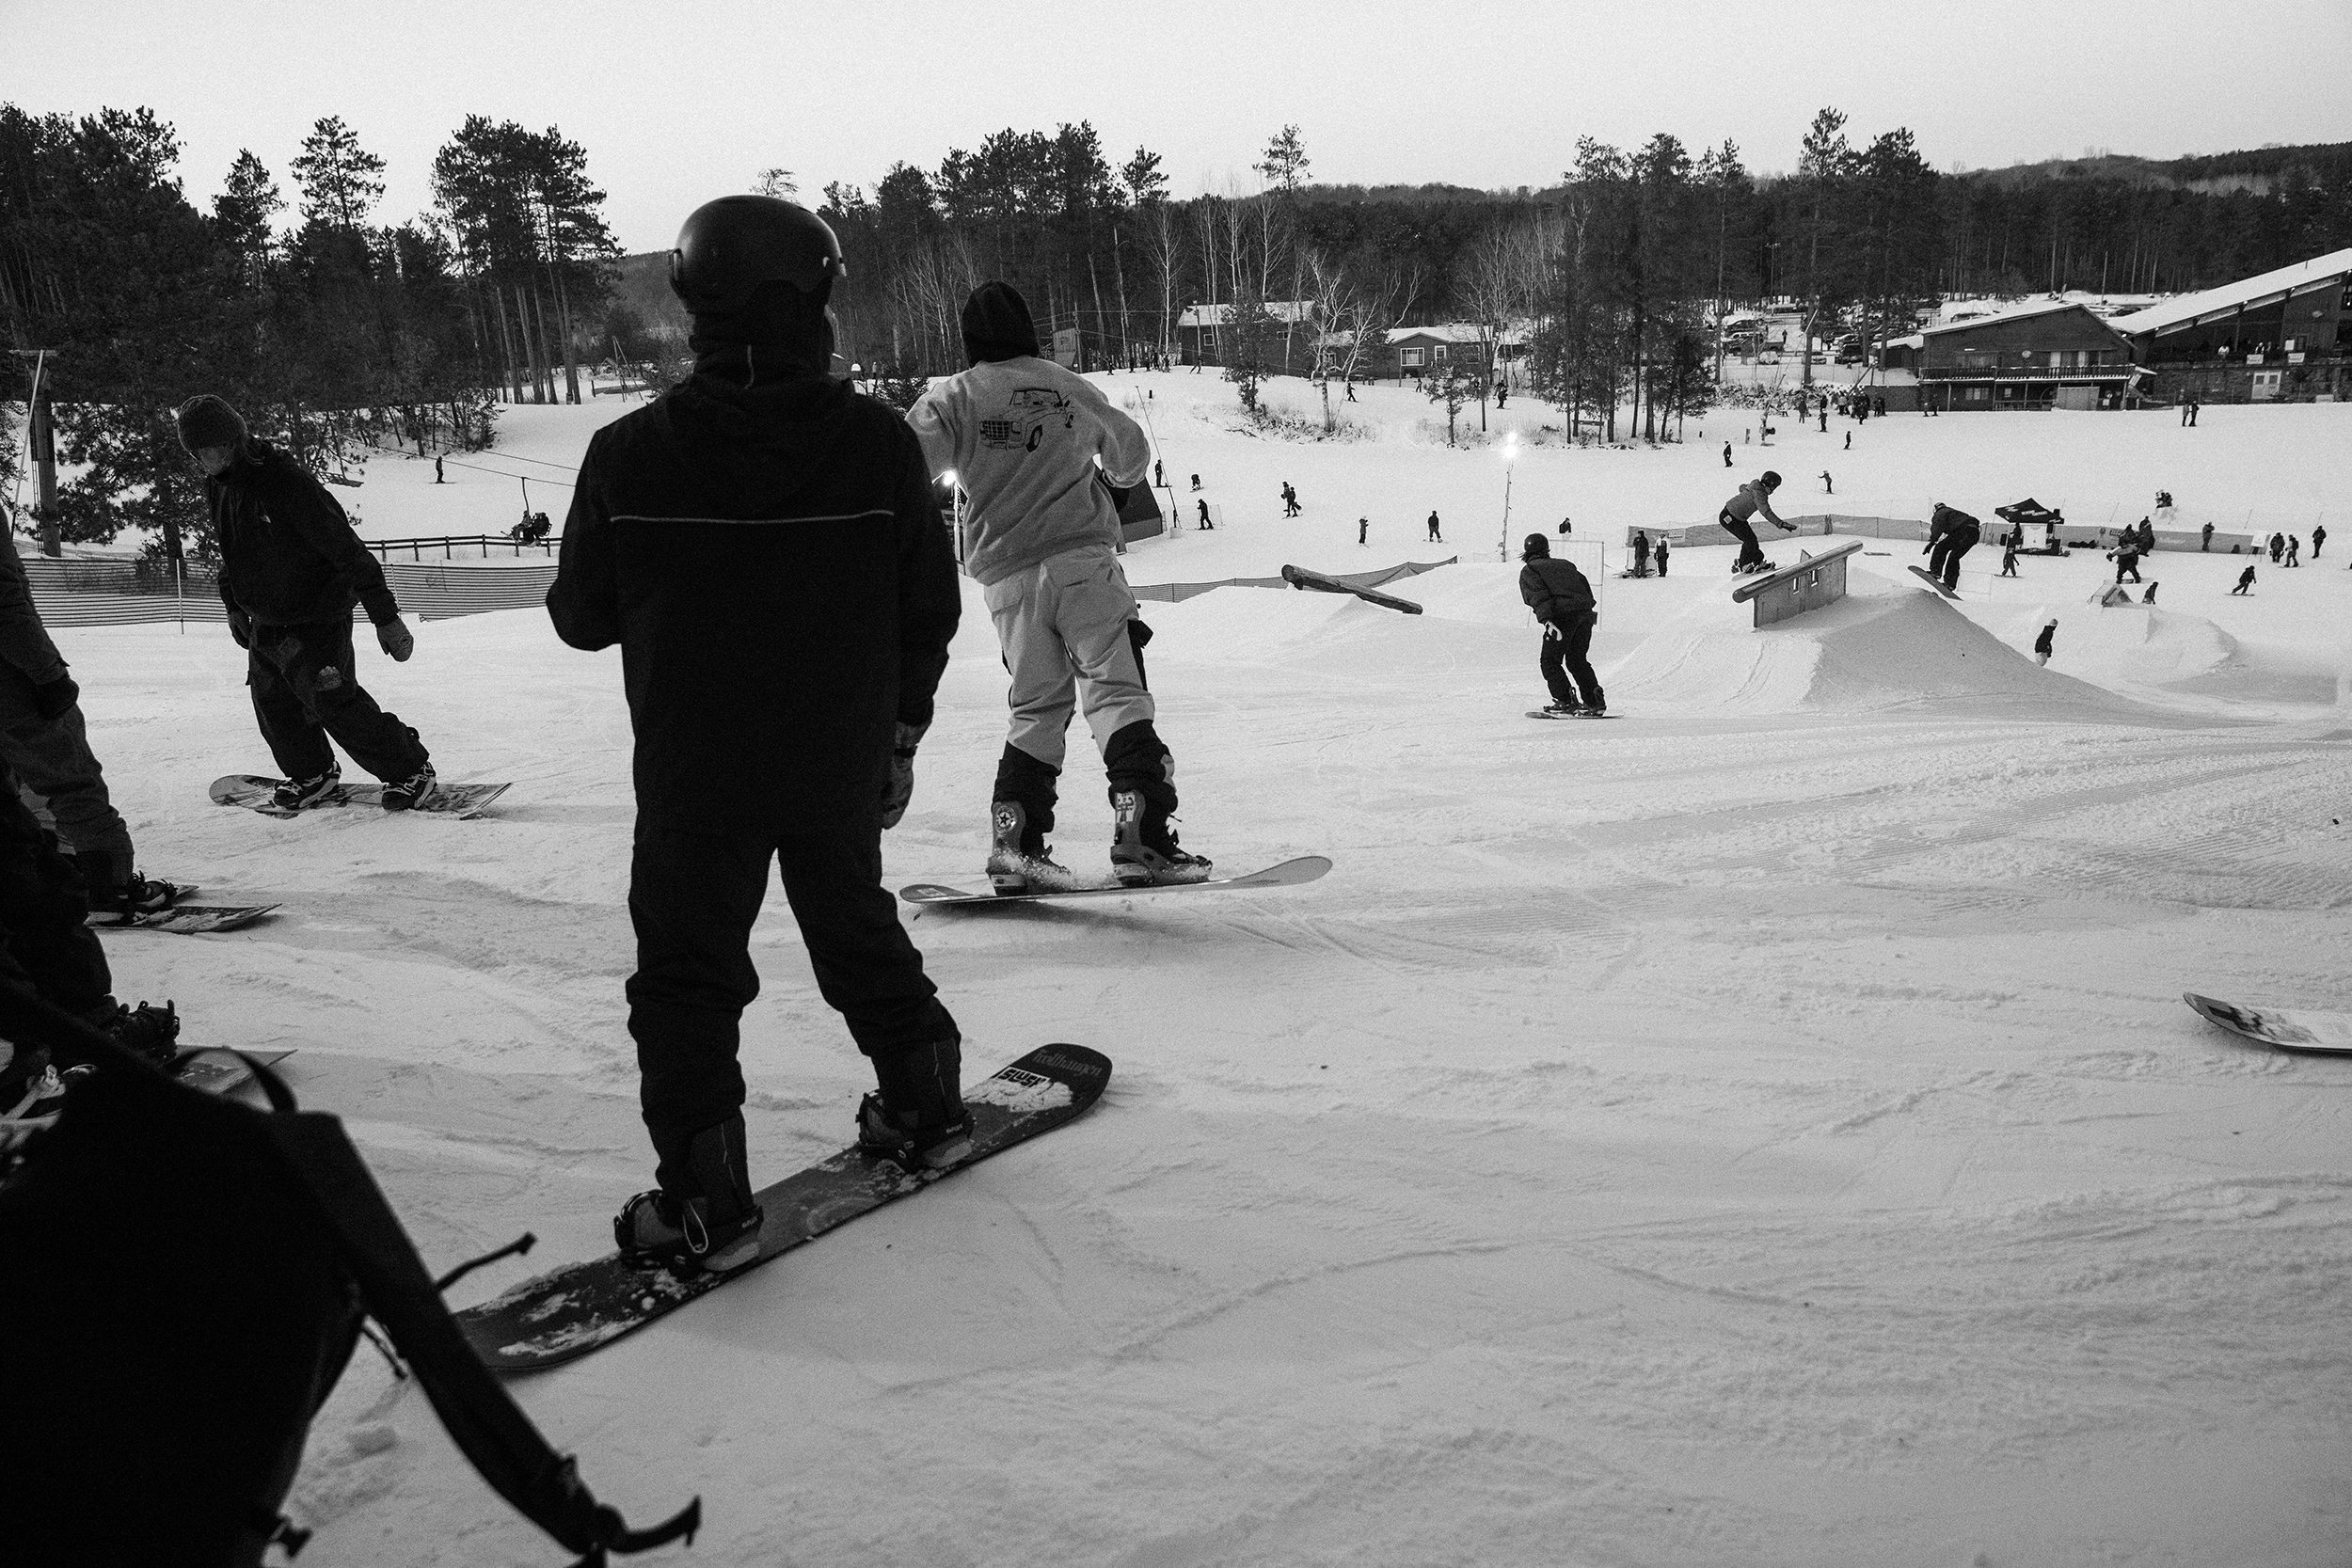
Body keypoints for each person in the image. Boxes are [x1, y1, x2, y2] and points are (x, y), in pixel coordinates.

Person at [548, 195, 967, 1274]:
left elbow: (581, 619)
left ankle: (702, 1191)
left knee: (686, 974)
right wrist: (899, 733)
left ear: (697, 300)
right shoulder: (876, 445)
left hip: (696, 769)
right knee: (851, 923)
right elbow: (929, 609)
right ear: (816, 298)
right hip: (834, 757)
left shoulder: (628, 452)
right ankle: (924, 1096)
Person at [908, 277, 1211, 897]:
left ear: (970, 342)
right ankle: (1143, 838)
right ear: (1029, 331)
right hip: (1080, 564)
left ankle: (1015, 848)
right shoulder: (1063, 384)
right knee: (1116, 692)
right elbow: (1128, 449)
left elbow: (901, 457)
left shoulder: (957, 396)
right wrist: (1115, 482)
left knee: (1036, 709)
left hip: (1007, 580)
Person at [179, 394, 435, 813]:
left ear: (228, 443)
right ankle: (311, 773)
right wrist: (233, 605)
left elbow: (348, 550)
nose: (198, 460)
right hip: (266, 618)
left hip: (317, 612)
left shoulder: (286, 483)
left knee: (334, 702)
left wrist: (385, 618)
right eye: (192, 452)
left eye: (201, 450)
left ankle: (410, 770)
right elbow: (230, 550)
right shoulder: (220, 486)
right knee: (273, 704)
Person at [0, 512, 175, 918]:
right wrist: (48, 675)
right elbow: (5, 606)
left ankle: (32, 880)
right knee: (70, 778)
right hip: (11, 683)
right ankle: (109, 889)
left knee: (9, 788)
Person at [1518, 534, 1603, 716]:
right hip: (1584, 615)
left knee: (1550, 661)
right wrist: (1587, 612)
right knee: (1577, 660)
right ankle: (1595, 701)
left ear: (1527, 552)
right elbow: (1584, 587)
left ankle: (1565, 701)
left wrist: (1547, 620)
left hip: (1561, 618)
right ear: (1546, 550)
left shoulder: (1530, 570)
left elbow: (1538, 596)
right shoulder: (1566, 564)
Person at [1719, 471, 1792, 573]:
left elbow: (1742, 487)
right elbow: (1766, 512)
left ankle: (1742, 563)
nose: (1773, 492)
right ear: (1770, 486)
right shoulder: (1760, 495)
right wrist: (1781, 523)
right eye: (1774, 488)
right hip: (1730, 518)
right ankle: (1752, 563)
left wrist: (1744, 490)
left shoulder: (1754, 485)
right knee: (1750, 540)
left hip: (1731, 515)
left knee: (1750, 539)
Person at [1924, 503, 1981, 591]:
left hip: (1963, 530)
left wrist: (1932, 542)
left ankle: (1935, 571)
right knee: (1954, 557)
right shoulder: (1954, 513)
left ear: (1936, 509)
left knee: (1941, 547)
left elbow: (1937, 527)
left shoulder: (1941, 513)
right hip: (1974, 534)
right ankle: (1950, 583)